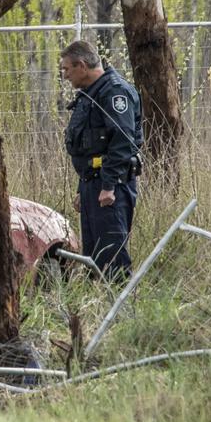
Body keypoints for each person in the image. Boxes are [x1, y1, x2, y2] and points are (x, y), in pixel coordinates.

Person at [59, 40, 142, 280]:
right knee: (94, 255)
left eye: (66, 69)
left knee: (112, 254)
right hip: (92, 184)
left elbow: (122, 142)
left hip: (111, 187)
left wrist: (107, 186)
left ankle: (122, 308)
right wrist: (82, 187)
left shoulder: (115, 92)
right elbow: (89, 149)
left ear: (82, 66)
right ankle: (99, 311)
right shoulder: (89, 95)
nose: (64, 76)